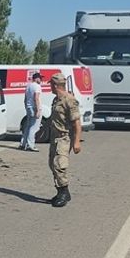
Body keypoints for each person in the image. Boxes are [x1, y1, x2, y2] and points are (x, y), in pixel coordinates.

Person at [46, 74, 82, 207]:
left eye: (50, 84)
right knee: (52, 164)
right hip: (54, 137)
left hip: (64, 137)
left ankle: (64, 193)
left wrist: (76, 141)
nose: (49, 86)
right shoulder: (56, 100)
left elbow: (77, 123)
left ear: (55, 85)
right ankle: (60, 190)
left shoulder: (69, 100)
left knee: (59, 165)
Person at [19, 71, 43, 152]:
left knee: (28, 127)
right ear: (36, 78)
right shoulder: (37, 86)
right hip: (34, 107)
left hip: (29, 108)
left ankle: (23, 144)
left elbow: (25, 99)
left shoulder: (28, 86)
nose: (41, 80)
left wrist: (26, 107)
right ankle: (30, 145)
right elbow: (36, 98)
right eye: (40, 78)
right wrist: (38, 110)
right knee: (34, 127)